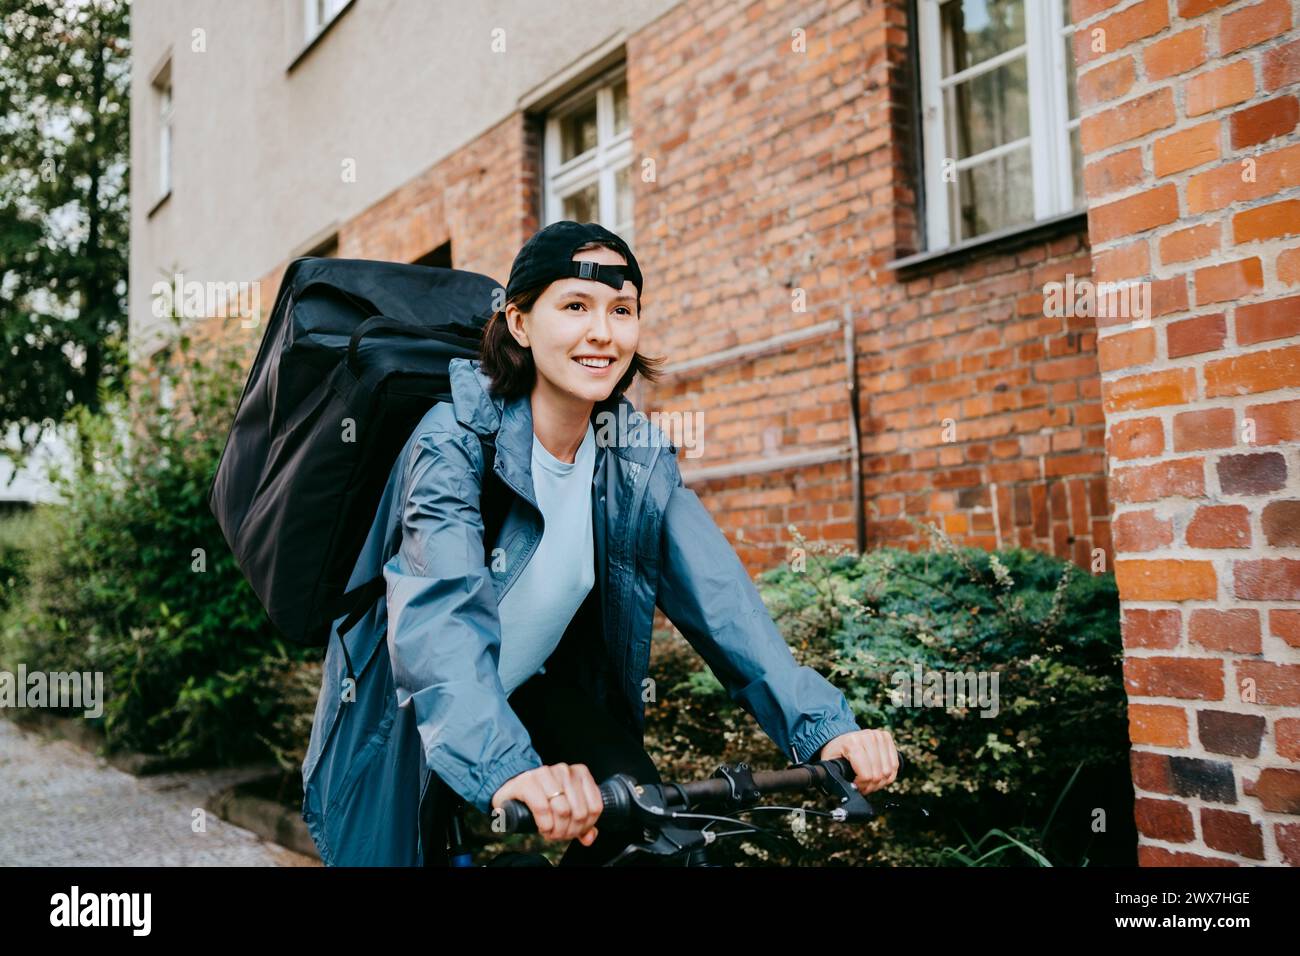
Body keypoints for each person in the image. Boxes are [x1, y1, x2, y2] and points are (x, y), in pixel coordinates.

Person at [300, 220, 898, 867]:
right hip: (408, 718)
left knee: (648, 826)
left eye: (622, 310)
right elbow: (441, 618)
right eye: (576, 306)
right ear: (521, 323)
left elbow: (724, 603)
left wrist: (825, 730)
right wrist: (505, 768)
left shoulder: (631, 456)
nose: (601, 332)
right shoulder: (453, 438)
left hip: (530, 690)